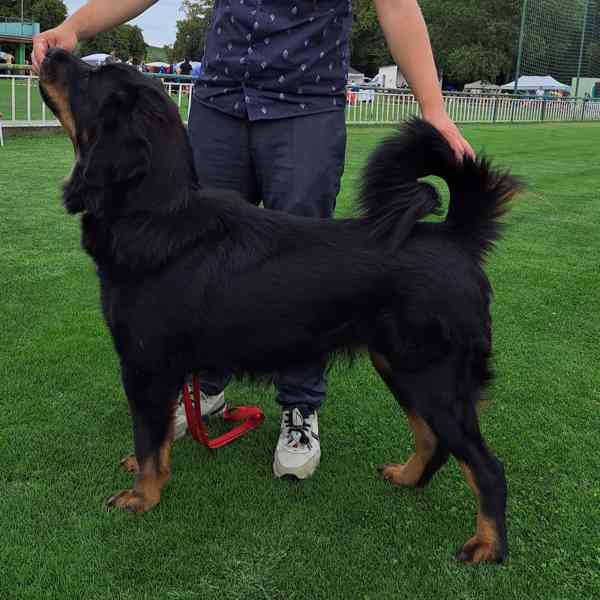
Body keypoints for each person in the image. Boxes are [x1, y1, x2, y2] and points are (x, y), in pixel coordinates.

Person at [32, 0, 474, 480]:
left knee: (307, 280)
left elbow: (397, 6)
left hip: (304, 104)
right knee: (188, 268)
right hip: (221, 99)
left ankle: (299, 408)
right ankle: (206, 387)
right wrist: (76, 25)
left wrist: (433, 108)